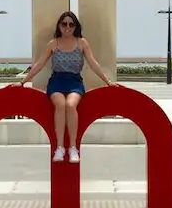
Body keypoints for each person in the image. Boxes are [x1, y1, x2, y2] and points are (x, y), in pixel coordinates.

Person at [14, 10, 115, 162]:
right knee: (60, 104)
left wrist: (108, 82)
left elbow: (93, 63)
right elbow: (39, 64)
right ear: (59, 26)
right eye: (64, 24)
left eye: (71, 24)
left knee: (70, 104)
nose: (67, 27)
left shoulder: (81, 43)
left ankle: (73, 148)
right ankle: (60, 147)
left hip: (75, 81)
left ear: (75, 26)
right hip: (57, 81)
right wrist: (23, 82)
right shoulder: (53, 44)